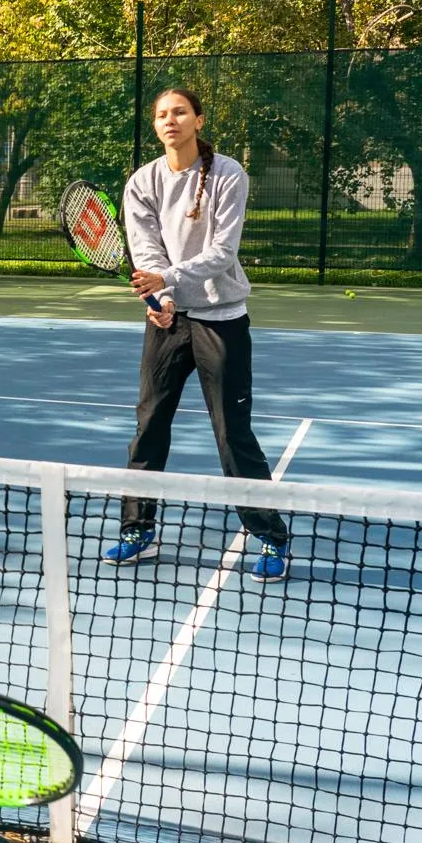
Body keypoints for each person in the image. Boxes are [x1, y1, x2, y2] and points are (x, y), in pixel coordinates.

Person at [103, 87, 292, 584]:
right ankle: (137, 529)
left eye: (179, 112)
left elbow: (223, 253)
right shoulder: (142, 181)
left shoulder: (228, 174)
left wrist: (166, 282)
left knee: (232, 433)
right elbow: (145, 250)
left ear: (198, 120)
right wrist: (159, 301)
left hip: (222, 317)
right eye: (162, 114)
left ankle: (270, 536)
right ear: (156, 125)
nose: (170, 120)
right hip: (168, 320)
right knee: (149, 426)